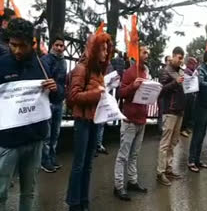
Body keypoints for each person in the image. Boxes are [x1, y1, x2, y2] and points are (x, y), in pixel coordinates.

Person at [0, 18, 60, 211]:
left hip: (35, 140)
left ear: (32, 44)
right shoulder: (2, 64)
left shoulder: (42, 65)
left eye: (22, 46)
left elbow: (58, 96)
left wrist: (55, 89)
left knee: (29, 192)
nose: (17, 50)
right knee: (0, 191)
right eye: (13, 45)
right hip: (7, 141)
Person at [66, 32, 113, 211]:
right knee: (79, 164)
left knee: (88, 164)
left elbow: (99, 93)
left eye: (107, 50)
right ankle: (74, 203)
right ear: (94, 49)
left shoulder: (99, 69)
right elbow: (73, 96)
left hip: (95, 120)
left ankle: (84, 201)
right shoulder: (82, 68)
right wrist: (97, 94)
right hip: (83, 122)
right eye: (102, 49)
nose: (105, 53)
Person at [113, 46, 150, 201]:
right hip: (129, 120)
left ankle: (132, 181)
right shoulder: (129, 72)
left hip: (141, 119)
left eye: (148, 53)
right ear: (137, 53)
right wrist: (132, 86)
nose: (147, 55)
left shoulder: (145, 72)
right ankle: (119, 186)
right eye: (144, 52)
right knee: (123, 155)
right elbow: (120, 93)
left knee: (134, 154)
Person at [156, 47, 185, 186]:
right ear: (173, 56)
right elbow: (160, 90)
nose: (181, 60)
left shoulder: (180, 71)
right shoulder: (165, 71)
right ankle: (160, 172)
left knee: (173, 143)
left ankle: (168, 169)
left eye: (182, 58)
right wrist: (175, 82)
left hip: (179, 111)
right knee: (165, 143)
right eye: (179, 57)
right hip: (170, 110)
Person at [41, 35, 67, 173]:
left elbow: (63, 82)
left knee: (55, 133)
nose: (59, 48)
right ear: (52, 46)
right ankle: (45, 160)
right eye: (56, 45)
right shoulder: (46, 60)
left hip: (59, 101)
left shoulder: (63, 62)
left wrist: (62, 92)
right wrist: (56, 87)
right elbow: (46, 79)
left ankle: (52, 157)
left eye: (61, 46)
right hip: (48, 101)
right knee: (47, 134)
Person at [180, 57, 198, 138]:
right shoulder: (186, 71)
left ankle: (187, 127)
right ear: (189, 64)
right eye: (193, 64)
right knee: (186, 112)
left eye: (195, 64)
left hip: (191, 94)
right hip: (187, 95)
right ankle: (182, 129)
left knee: (190, 112)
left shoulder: (193, 72)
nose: (195, 65)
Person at [157, 55, 172, 134]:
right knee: (162, 113)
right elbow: (164, 83)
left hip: (168, 96)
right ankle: (161, 130)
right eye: (169, 60)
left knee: (167, 113)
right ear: (166, 62)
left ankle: (165, 130)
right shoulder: (163, 71)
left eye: (171, 60)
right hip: (162, 95)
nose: (170, 62)